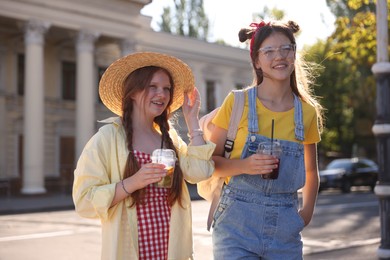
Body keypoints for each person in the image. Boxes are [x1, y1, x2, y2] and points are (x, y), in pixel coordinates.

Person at [72, 52, 216, 260]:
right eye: (153, 87)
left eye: (166, 88)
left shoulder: (169, 137)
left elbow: (200, 172)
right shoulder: (107, 138)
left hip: (171, 250)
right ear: (132, 92)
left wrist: (193, 121)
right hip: (130, 250)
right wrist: (133, 182)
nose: (162, 94)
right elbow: (84, 202)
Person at [209, 20, 324, 259]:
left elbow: (311, 172)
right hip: (234, 228)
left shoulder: (307, 113)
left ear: (294, 53)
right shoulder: (237, 102)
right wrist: (245, 166)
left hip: (286, 230)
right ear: (257, 62)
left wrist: (306, 213)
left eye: (286, 48)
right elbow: (210, 163)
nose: (279, 56)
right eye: (269, 51)